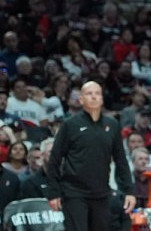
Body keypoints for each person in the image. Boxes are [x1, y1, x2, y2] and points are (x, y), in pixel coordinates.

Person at [45, 82, 135, 231]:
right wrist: (53, 192)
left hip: (102, 193)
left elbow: (121, 160)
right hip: (74, 193)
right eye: (89, 93)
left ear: (102, 99)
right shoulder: (70, 124)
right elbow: (55, 159)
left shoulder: (112, 125)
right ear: (81, 99)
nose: (94, 97)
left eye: (97, 93)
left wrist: (129, 191)